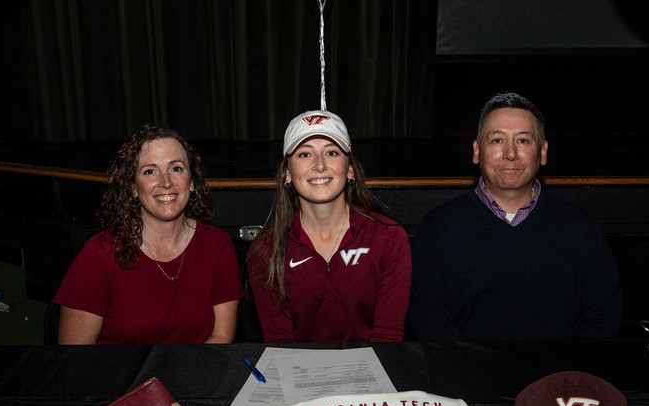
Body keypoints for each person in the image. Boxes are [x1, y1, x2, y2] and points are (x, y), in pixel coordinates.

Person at [409, 93, 622, 341]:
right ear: (477, 151)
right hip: (469, 373)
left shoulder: (580, 228)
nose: (510, 153)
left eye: (523, 140)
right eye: (497, 140)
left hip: (558, 375)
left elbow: (603, 318)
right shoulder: (439, 228)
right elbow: (429, 320)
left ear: (542, 152)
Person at [54, 124, 244, 344]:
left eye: (176, 168)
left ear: (192, 182)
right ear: (133, 188)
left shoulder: (217, 245)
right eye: (150, 171)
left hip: (191, 374)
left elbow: (221, 337)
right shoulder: (99, 254)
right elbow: (75, 356)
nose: (166, 182)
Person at [247, 110, 411, 343]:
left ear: (350, 169)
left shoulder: (390, 238)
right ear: (287, 174)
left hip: (370, 371)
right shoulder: (265, 251)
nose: (320, 165)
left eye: (331, 152)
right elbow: (280, 344)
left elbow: (388, 338)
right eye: (305, 154)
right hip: (299, 373)